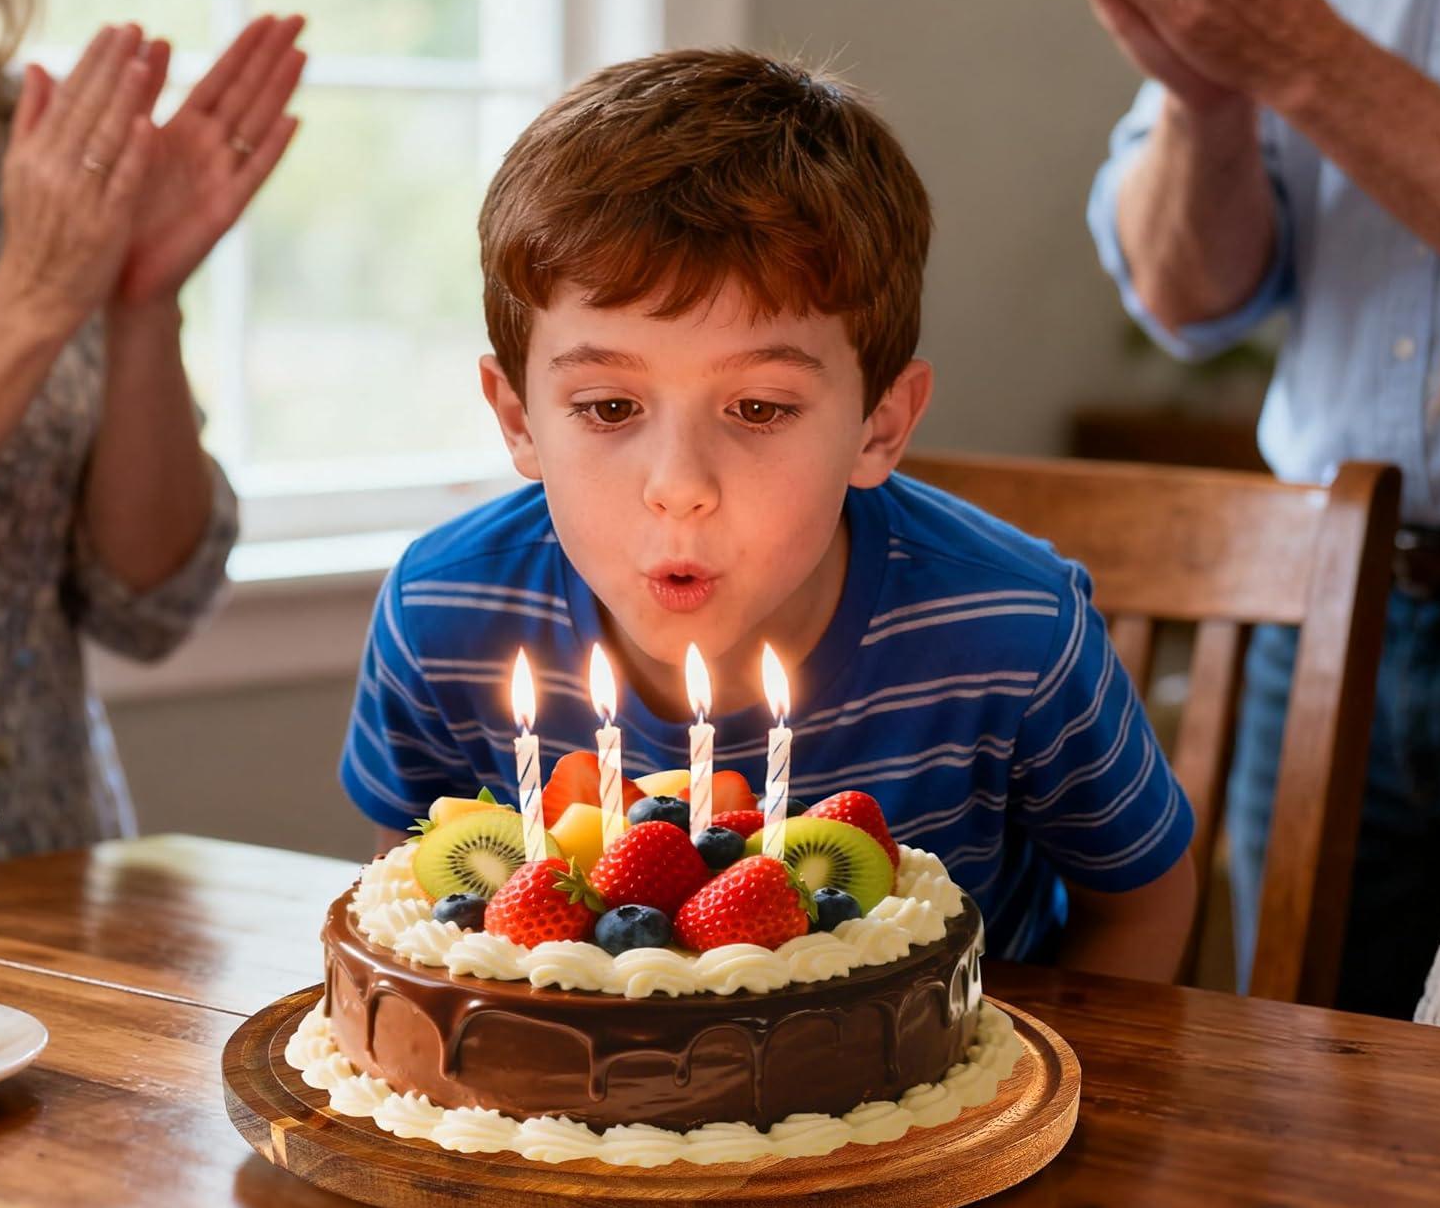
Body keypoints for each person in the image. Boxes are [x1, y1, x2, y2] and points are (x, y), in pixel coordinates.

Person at [340, 48, 1198, 981]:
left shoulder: (1015, 631)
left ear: (879, 423)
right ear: (519, 419)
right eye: (609, 407)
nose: (679, 483)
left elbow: (1146, 904)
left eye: (758, 408)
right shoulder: (442, 617)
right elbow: (418, 923)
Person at [1035, 0, 1440, 1015]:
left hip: (1334, 606)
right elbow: (1184, 299)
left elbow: (1291, 49)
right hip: (1329, 613)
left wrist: (1293, 48)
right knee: (1304, 1110)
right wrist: (1206, 98)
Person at [0, 0, 306, 859]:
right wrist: (31, 296)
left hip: (53, 866)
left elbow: (147, 601)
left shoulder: (18, 144)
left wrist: (140, 305)